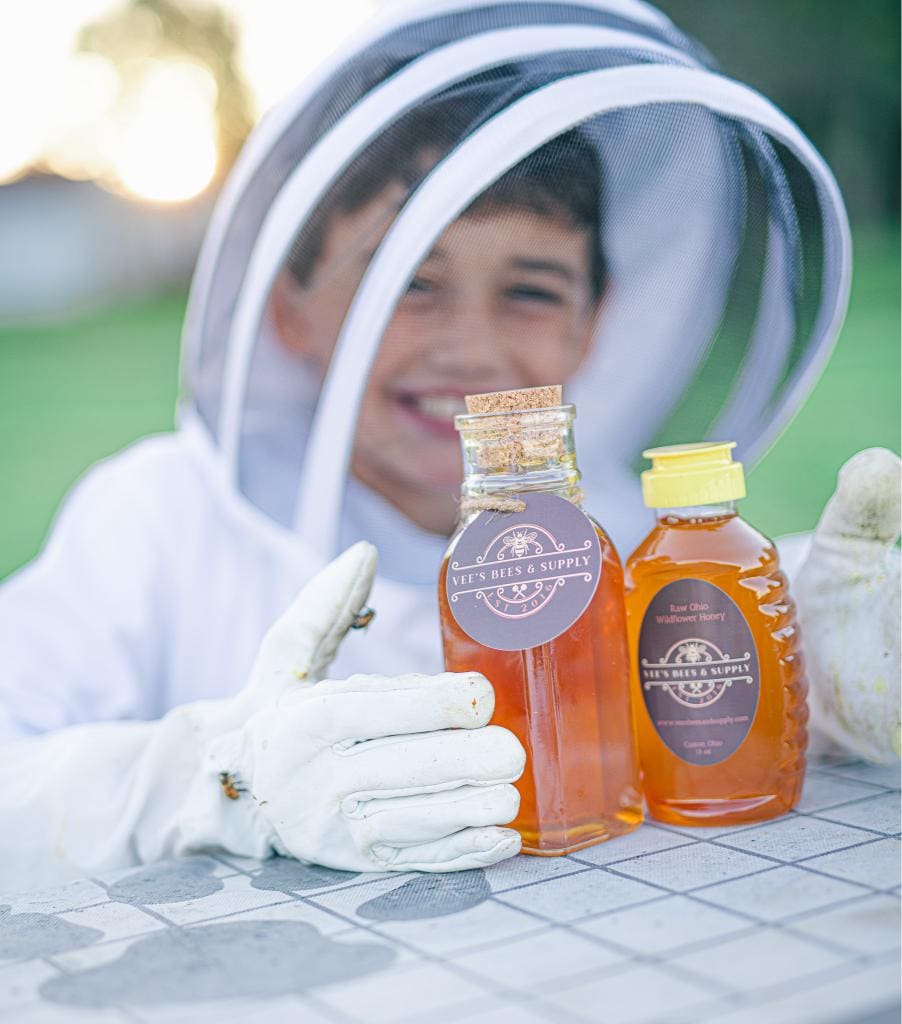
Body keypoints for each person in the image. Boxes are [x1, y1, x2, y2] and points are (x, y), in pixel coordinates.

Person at [0, 0, 858, 889]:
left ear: (593, 325)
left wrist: (829, 675)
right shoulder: (158, 519)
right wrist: (220, 782)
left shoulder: (617, 538)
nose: (470, 351)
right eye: (408, 280)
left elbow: (703, 701)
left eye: (530, 289)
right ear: (290, 308)